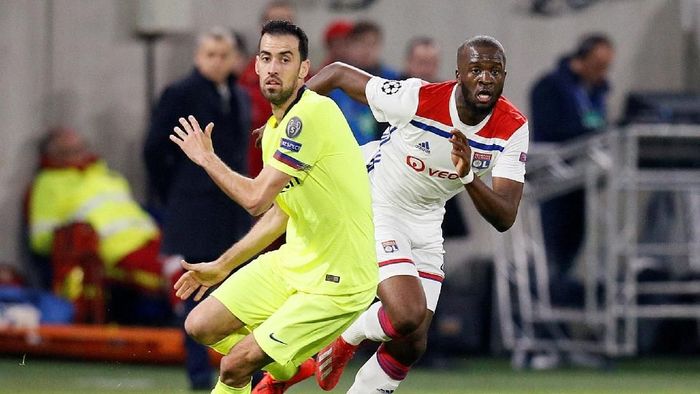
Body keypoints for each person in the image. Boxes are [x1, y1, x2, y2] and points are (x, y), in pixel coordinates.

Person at [305, 35, 529, 393]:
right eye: (476, 70)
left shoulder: (513, 127)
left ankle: (350, 339)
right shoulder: (420, 97)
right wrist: (286, 119)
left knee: (411, 342)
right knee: (406, 314)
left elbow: (504, 216)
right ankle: (346, 333)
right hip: (377, 200)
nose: (486, 78)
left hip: (426, 218)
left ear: (504, 76)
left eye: (495, 71)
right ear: (459, 74)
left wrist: (468, 175)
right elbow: (336, 74)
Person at [169, 21, 378, 394]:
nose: (273, 67)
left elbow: (255, 200)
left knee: (235, 367)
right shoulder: (273, 131)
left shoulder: (312, 115)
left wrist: (207, 159)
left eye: (285, 59)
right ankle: (287, 364)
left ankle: (277, 362)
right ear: (256, 66)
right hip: (294, 263)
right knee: (200, 325)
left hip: (338, 281)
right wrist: (222, 265)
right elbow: (281, 212)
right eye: (266, 58)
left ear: (303, 70)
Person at [143, 27, 252, 390]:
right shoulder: (181, 93)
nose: (218, 61)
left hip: (230, 209)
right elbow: (154, 148)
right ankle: (198, 374)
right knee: (194, 291)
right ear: (197, 57)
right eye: (211, 54)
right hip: (193, 208)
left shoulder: (238, 94)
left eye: (224, 54)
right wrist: (174, 191)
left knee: (234, 288)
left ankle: (237, 367)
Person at [28, 127, 172, 324]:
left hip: (153, 239)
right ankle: (197, 335)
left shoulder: (106, 176)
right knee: (175, 273)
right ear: (53, 156)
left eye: (81, 148)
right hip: (112, 253)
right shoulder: (49, 184)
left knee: (196, 262)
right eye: (69, 152)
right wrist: (78, 236)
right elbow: (40, 239)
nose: (79, 155)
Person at [529, 33, 614, 306]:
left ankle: (561, 307)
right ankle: (548, 313)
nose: (602, 73)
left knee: (573, 247)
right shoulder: (550, 87)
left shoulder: (597, 91)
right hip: (553, 181)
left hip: (580, 181)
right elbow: (552, 130)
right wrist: (589, 133)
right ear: (582, 60)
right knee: (553, 249)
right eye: (598, 65)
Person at [239, 0, 296, 178]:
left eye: (286, 24)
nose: (280, 30)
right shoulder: (244, 83)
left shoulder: (309, 80)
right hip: (256, 179)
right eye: (273, 23)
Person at [330, 20, 400, 145]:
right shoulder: (335, 82)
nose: (367, 50)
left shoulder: (393, 82)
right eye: (361, 43)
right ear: (349, 46)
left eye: (372, 44)